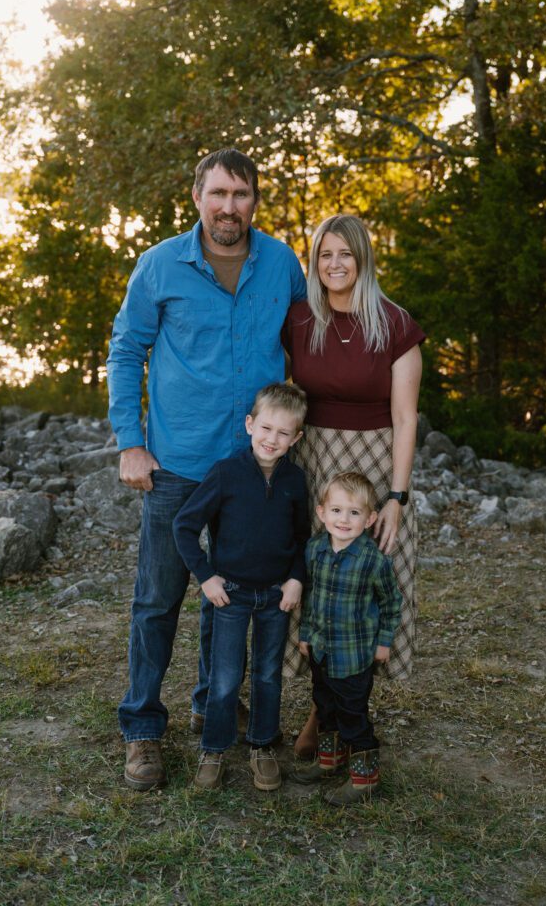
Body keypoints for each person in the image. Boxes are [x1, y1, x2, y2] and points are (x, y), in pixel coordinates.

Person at [107, 148, 306, 791]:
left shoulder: (280, 263)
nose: (229, 207)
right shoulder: (160, 264)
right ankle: (141, 728)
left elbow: (308, 347)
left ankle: (209, 703)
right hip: (181, 466)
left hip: (256, 471)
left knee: (231, 596)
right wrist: (130, 442)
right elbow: (126, 350)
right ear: (197, 197)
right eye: (218, 193)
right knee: (158, 599)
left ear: (254, 200)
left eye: (241, 194)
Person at [283, 213, 425, 758]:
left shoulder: (395, 324)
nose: (334, 264)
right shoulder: (299, 320)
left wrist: (396, 497)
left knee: (367, 582)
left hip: (375, 468)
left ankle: (341, 714)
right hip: (314, 462)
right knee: (316, 580)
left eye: (345, 253)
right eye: (324, 254)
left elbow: (407, 418)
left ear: (363, 258)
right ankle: (323, 705)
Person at [173, 383, 309, 791]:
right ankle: (213, 750)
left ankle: (262, 745)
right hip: (228, 593)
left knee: (268, 675)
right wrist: (206, 575)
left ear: (296, 438)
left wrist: (296, 579)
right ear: (250, 425)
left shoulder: (295, 481)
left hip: (274, 595)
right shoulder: (225, 474)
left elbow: (302, 539)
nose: (273, 439)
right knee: (226, 676)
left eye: (284, 433)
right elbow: (184, 526)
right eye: (266, 428)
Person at [292, 471, 402, 804]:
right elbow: (310, 596)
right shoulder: (314, 550)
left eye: (354, 513)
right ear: (322, 512)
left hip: (355, 657)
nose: (344, 519)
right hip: (322, 651)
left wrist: (384, 643)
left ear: (369, 519)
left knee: (352, 716)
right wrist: (307, 634)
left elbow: (391, 603)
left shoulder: (373, 560)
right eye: (337, 510)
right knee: (325, 706)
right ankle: (330, 760)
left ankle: (365, 778)